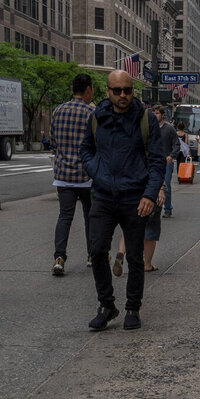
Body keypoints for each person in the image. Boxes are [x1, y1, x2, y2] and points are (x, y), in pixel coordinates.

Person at [80, 70, 165, 331]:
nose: (123, 95)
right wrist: (97, 171)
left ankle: (132, 307)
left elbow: (157, 161)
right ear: (107, 91)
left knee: (135, 257)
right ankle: (107, 305)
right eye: (117, 90)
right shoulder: (96, 118)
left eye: (127, 90)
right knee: (96, 251)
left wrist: (149, 194)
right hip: (103, 196)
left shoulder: (146, 119)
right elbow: (86, 150)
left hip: (134, 198)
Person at [49, 73, 95, 275]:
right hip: (86, 176)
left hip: (63, 175)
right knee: (90, 217)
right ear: (87, 90)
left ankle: (59, 258)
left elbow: (53, 141)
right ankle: (92, 255)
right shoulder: (91, 113)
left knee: (64, 217)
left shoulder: (58, 111)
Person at [112, 182, 166, 277]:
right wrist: (161, 189)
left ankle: (121, 252)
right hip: (150, 192)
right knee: (151, 229)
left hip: (131, 192)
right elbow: (157, 170)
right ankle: (147, 264)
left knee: (129, 227)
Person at [151, 105, 180, 219]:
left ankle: (167, 208)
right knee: (152, 183)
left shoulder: (169, 128)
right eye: (153, 113)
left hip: (165, 161)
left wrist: (171, 156)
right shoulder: (149, 128)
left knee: (166, 184)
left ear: (162, 115)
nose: (155, 115)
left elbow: (176, 144)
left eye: (157, 113)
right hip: (152, 161)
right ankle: (153, 206)